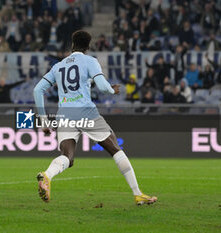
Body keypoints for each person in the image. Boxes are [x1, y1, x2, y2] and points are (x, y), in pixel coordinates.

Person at [33, 30, 157, 205]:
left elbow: (37, 90)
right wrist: (111, 89)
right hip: (86, 112)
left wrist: (44, 120)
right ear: (88, 47)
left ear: (72, 45)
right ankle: (138, 194)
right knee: (115, 149)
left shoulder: (58, 66)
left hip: (65, 114)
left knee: (67, 157)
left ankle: (47, 175)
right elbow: (103, 87)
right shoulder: (90, 61)